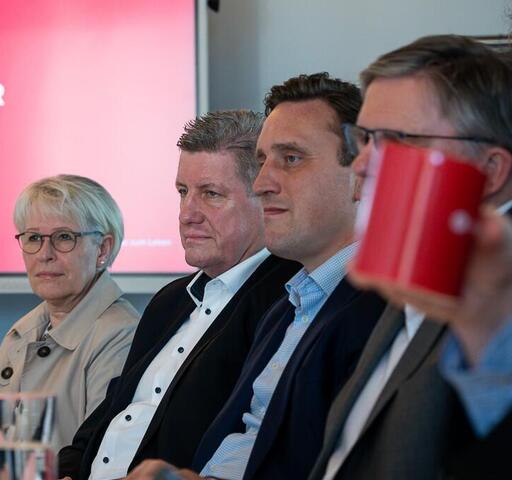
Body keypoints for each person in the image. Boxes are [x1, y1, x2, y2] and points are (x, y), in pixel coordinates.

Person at [128, 73, 387, 480]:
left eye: (291, 158)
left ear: (360, 175)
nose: (263, 183)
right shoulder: (290, 306)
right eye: (264, 160)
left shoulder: (383, 310)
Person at [309, 35, 512, 480]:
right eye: (364, 138)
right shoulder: (415, 270)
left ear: (491, 171)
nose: (360, 164)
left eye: (395, 139)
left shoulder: (496, 302)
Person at [57, 111, 301, 480]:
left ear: (263, 198)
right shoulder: (170, 300)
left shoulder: (286, 300)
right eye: (183, 192)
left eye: (211, 195)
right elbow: (109, 415)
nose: (188, 214)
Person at [0, 174, 140, 463]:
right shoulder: (24, 331)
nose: (44, 254)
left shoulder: (121, 335)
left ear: (102, 249)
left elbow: (97, 458)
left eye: (64, 237)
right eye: (34, 238)